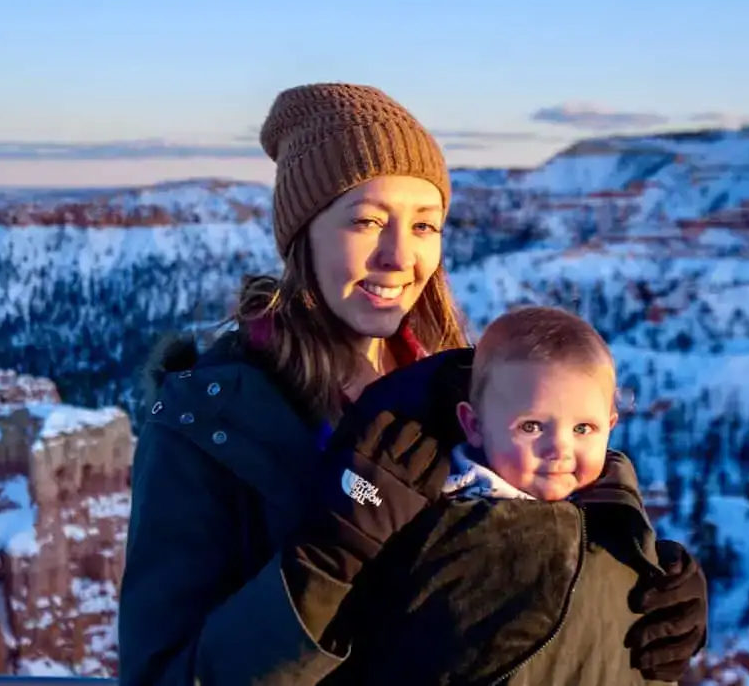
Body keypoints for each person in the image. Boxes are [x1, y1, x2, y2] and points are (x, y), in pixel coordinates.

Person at [119, 82, 708, 685]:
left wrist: (633, 572)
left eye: (426, 226)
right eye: (368, 220)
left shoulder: (455, 388)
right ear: (303, 236)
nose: (400, 256)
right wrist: (328, 559)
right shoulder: (209, 429)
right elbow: (164, 676)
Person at [320, 305, 701, 685]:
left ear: (610, 426)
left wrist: (658, 576)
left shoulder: (615, 513)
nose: (561, 449)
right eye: (532, 426)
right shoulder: (435, 516)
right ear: (475, 425)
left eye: (584, 428)